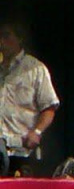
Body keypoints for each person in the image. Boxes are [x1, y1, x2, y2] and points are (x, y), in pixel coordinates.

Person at [0, 18, 60, 177]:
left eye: (6, 36)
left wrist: (37, 132)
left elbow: (49, 107)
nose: (2, 42)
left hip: (22, 148)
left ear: (19, 38)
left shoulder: (35, 68)